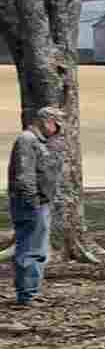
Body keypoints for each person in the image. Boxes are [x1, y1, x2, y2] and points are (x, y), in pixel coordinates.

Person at [9, 103, 64, 316]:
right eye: (57, 124)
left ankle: (32, 291)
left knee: (39, 249)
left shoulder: (42, 142)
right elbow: (25, 175)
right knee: (30, 248)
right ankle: (26, 295)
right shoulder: (27, 140)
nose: (58, 129)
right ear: (46, 121)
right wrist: (32, 201)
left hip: (41, 203)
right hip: (32, 204)